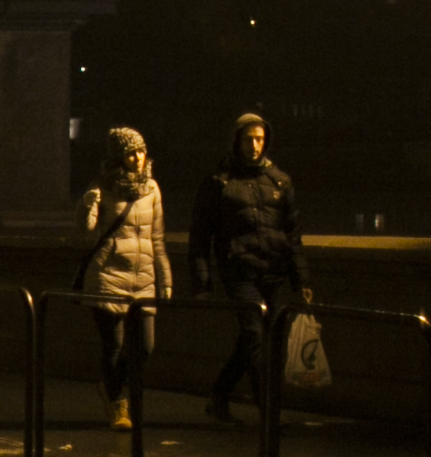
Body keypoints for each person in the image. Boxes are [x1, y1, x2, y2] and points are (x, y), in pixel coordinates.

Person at [187, 109, 311, 421]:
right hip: (239, 271)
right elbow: (201, 236)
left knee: (257, 339)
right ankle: (268, 410)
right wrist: (202, 283)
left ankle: (219, 394)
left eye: (260, 139)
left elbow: (292, 235)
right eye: (249, 139)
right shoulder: (219, 183)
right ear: (237, 141)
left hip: (273, 270)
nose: (255, 145)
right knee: (256, 338)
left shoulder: (279, 181)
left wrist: (301, 280)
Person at [76, 127, 171, 430]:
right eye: (131, 152)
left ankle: (110, 386)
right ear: (119, 157)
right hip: (107, 276)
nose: (138, 157)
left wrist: (164, 279)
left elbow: (157, 239)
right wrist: (89, 203)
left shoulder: (152, 189)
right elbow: (86, 229)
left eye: (141, 150)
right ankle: (118, 405)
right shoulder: (103, 187)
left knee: (145, 346)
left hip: (142, 278)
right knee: (114, 346)